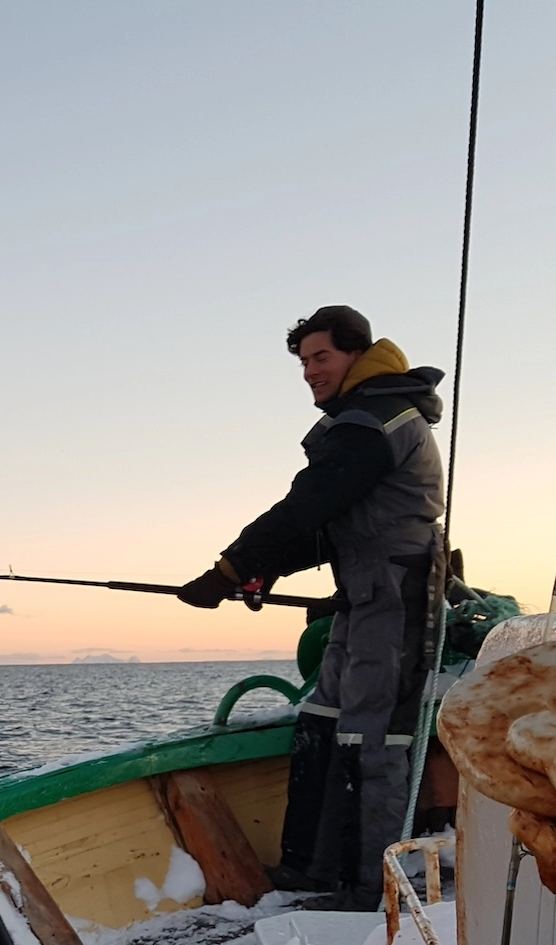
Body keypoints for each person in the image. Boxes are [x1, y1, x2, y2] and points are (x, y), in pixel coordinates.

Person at [176, 305, 445, 909]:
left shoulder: (376, 418)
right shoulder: (365, 418)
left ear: (357, 354)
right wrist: (263, 569)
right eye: (303, 362)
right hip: (360, 595)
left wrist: (229, 570)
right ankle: (316, 867)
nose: (309, 372)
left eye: (320, 357)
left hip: (394, 598)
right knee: (324, 719)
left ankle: (375, 886)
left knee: (374, 739)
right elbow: (329, 528)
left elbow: (305, 507)